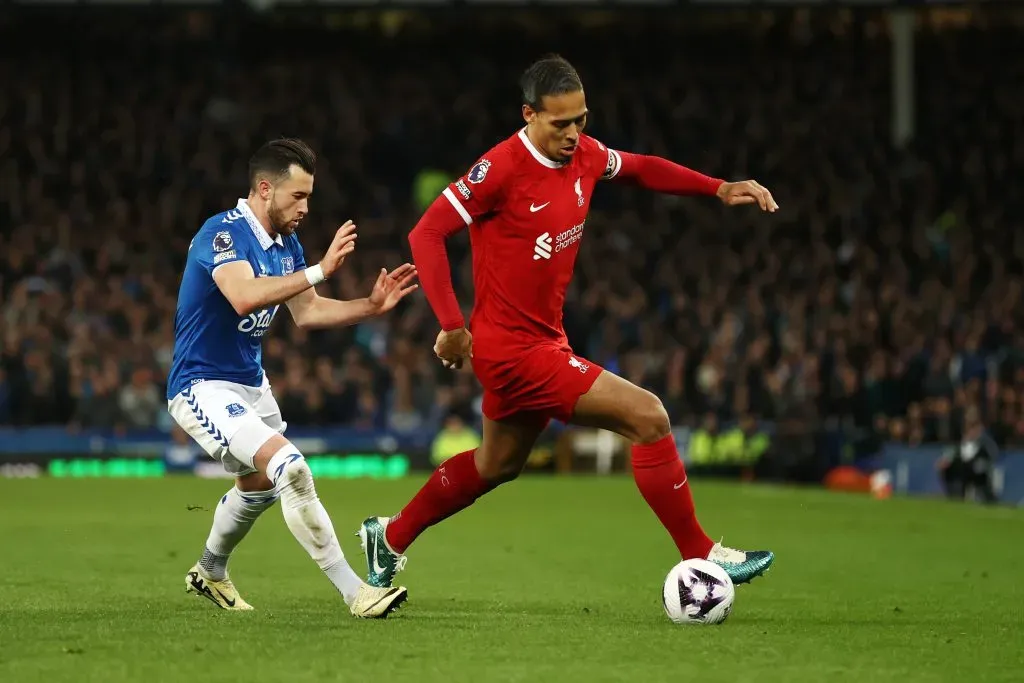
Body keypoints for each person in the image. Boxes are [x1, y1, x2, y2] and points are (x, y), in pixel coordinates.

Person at [358, 55, 776, 592]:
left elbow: (644, 167)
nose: (574, 134)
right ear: (528, 114)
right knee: (649, 416)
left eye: (581, 120)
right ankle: (703, 553)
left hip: (544, 339)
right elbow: (426, 234)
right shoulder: (501, 169)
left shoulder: (585, 156)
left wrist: (717, 187)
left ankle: (390, 537)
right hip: (512, 353)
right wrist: (452, 325)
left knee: (497, 463)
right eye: (560, 123)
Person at [166, 138, 417, 618]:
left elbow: (307, 312)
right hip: (202, 385)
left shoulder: (287, 245)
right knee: (293, 469)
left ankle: (209, 572)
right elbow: (242, 296)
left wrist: (370, 306)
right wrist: (321, 269)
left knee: (258, 486)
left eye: (309, 197)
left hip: (251, 384)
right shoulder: (221, 233)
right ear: (265, 188)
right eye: (297, 196)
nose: (305, 208)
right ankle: (356, 593)